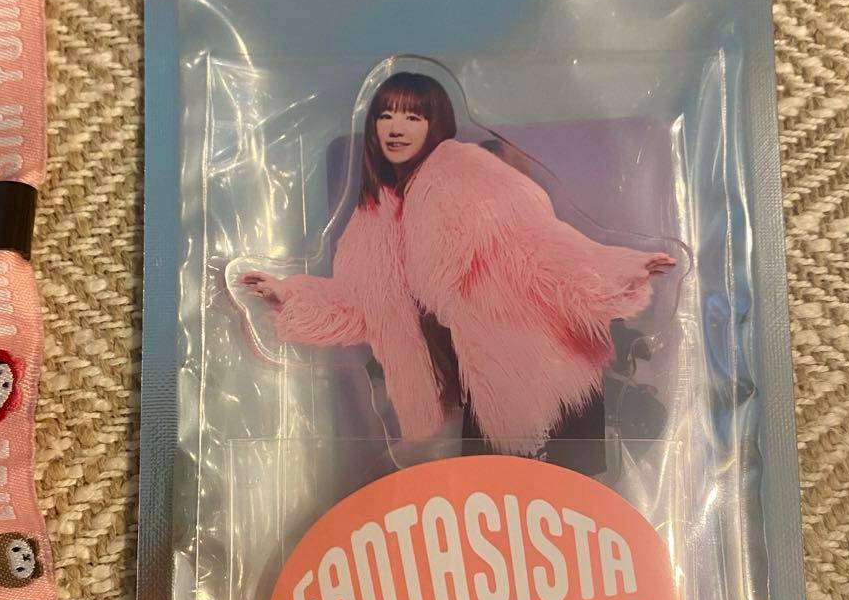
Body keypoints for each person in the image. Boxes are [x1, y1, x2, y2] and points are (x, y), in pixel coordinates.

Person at [242, 72, 674, 461]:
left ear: (435, 123)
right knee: (487, 509)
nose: (395, 128)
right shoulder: (373, 217)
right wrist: (288, 293)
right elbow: (361, 309)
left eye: (412, 117)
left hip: (533, 377)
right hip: (461, 396)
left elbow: (537, 244)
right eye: (385, 116)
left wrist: (619, 269)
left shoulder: (468, 174)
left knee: (565, 505)